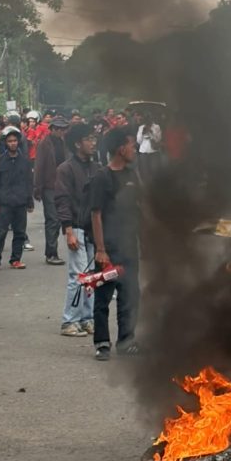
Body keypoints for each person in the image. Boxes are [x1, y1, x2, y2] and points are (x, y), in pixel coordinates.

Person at [90, 128, 141, 360]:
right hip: (109, 249)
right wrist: (101, 250)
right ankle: (102, 343)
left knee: (130, 295)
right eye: (132, 145)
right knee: (103, 296)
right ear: (121, 148)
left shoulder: (133, 175)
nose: (135, 149)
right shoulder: (102, 177)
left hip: (130, 246)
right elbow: (96, 214)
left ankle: (126, 341)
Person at [54, 122, 100, 336]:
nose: (93, 142)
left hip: (93, 229)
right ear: (77, 143)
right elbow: (62, 201)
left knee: (92, 276)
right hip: (77, 228)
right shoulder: (65, 169)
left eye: (94, 138)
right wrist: (68, 230)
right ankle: (69, 321)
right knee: (78, 275)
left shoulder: (96, 167)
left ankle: (87, 318)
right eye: (89, 139)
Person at [0, 127, 34, 272]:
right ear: (6, 143)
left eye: (15, 141)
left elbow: (29, 181)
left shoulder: (24, 161)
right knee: (0, 233)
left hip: (20, 202)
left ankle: (16, 259)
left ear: (18, 142)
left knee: (19, 232)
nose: (13, 143)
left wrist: (29, 201)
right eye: (10, 141)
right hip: (4, 203)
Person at [34, 116, 69, 265]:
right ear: (52, 129)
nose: (61, 131)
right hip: (49, 186)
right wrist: (37, 187)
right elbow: (39, 166)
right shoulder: (44, 144)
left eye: (63, 129)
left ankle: (53, 251)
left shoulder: (63, 143)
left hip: (62, 185)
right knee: (53, 219)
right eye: (58, 129)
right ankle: (51, 253)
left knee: (62, 218)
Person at [136, 113, 162, 184]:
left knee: (155, 170)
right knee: (145, 171)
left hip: (154, 151)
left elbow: (158, 140)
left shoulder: (156, 127)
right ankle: (147, 187)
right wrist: (142, 133)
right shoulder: (141, 127)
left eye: (149, 119)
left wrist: (152, 133)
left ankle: (155, 186)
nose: (148, 121)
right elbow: (138, 141)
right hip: (144, 152)